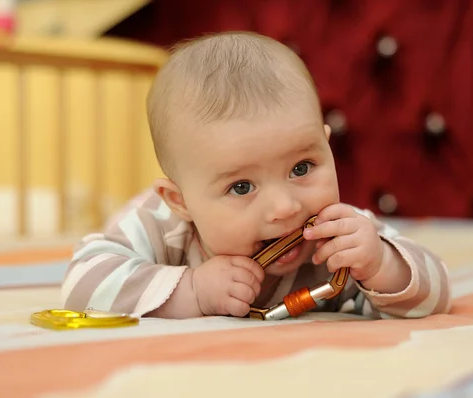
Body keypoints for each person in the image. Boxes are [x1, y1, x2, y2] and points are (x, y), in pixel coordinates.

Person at [60, 31, 451, 320]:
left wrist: (382, 263)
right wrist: (192, 291)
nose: (284, 207)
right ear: (180, 201)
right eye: (241, 186)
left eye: (301, 168)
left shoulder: (342, 239)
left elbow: (438, 296)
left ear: (327, 147)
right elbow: (82, 284)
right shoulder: (162, 226)